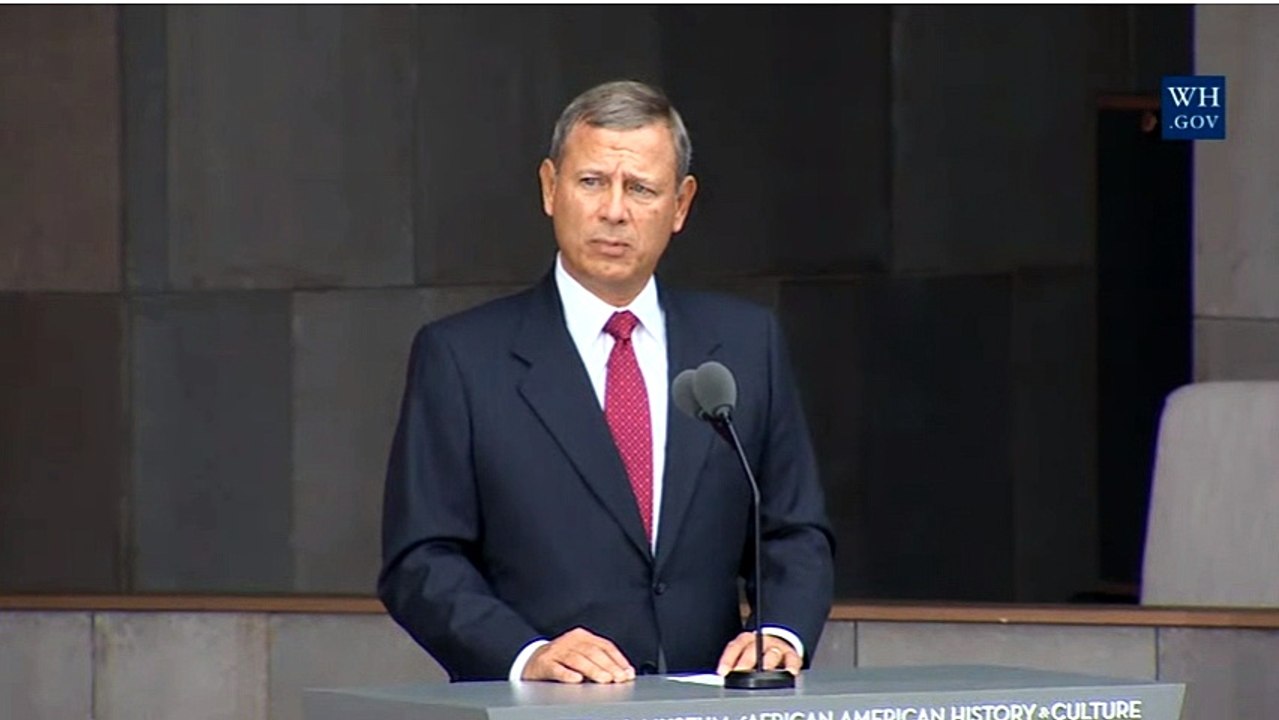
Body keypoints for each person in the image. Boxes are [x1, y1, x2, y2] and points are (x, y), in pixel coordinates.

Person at [379, 79, 834, 684]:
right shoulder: (462, 358)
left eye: (641, 188)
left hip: (708, 701)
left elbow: (793, 529)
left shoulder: (746, 346)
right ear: (549, 188)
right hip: (545, 707)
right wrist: (525, 654)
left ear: (680, 206)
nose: (614, 210)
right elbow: (421, 560)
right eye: (592, 182)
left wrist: (779, 632)